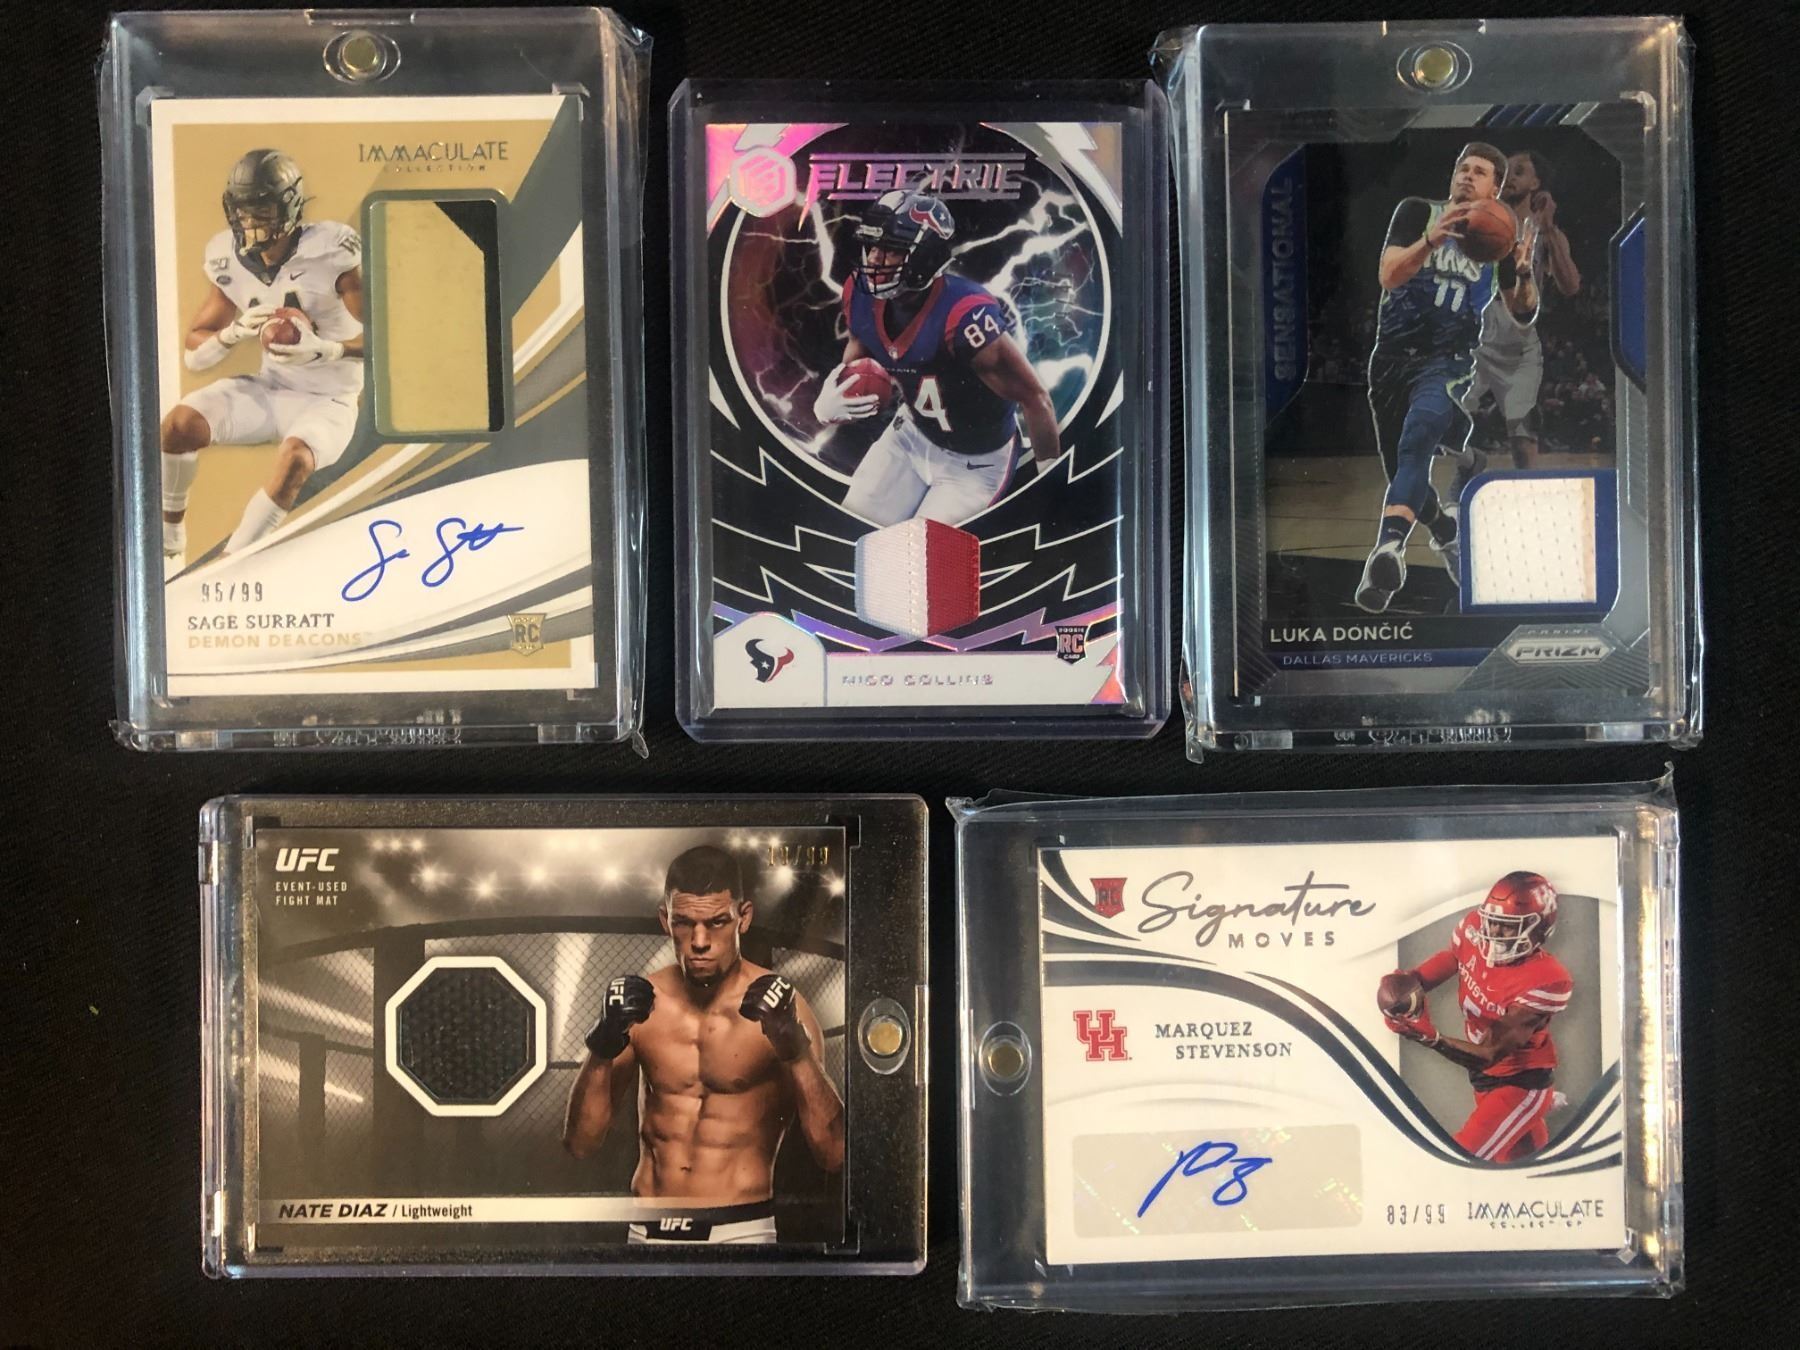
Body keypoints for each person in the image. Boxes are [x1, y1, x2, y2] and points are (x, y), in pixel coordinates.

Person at [562, 845, 844, 1244]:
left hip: (740, 1230)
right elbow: (580, 1144)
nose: (699, 941)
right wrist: (602, 1045)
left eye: (716, 922)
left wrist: (795, 1049)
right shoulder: (643, 1006)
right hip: (647, 1230)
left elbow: (833, 1153)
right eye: (684, 923)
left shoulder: (784, 1008)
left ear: (743, 917)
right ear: (666, 920)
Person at [160, 149, 364, 571]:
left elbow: (395, 337)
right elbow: (194, 354)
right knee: (178, 426)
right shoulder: (225, 255)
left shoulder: (331, 250)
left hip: (330, 397)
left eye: (262, 210)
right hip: (271, 388)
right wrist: (233, 333)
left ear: (289, 207)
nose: (250, 222)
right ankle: (168, 539)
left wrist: (330, 349)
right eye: (243, 211)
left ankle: (229, 566)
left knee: (296, 459)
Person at [814, 188, 1059, 526]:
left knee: (922, 551)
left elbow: (1036, 399)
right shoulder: (859, 294)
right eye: (872, 246)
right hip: (910, 437)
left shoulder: (964, 315)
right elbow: (857, 367)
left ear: (925, 257)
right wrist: (828, 404)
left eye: (890, 250)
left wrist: (1050, 486)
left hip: (974, 464)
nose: (874, 259)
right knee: (852, 533)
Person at [1380, 871, 1571, 1161]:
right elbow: (1454, 957)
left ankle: (1537, 1106)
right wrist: (1409, 985)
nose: (1494, 932)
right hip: (1485, 1080)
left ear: (1539, 928)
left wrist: (1430, 1038)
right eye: (1492, 921)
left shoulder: (1546, 978)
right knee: (1524, 1166)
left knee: (1460, 1160)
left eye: (1508, 926)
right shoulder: (1473, 929)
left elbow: (1488, 1054)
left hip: (1520, 1084)